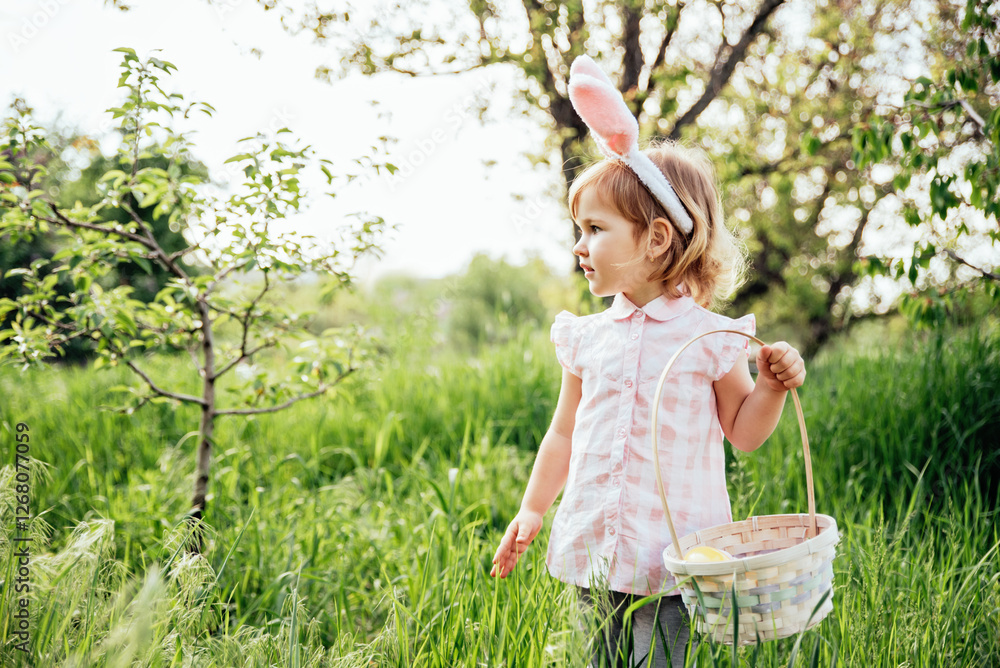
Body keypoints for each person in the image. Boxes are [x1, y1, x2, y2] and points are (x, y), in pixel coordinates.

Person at [489, 56, 806, 668]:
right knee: (597, 658)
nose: (580, 247)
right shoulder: (586, 337)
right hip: (595, 545)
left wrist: (767, 386)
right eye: (577, 230)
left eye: (595, 229)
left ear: (656, 238)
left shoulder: (707, 338)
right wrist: (532, 508)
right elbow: (563, 432)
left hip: (674, 553)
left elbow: (743, 432)